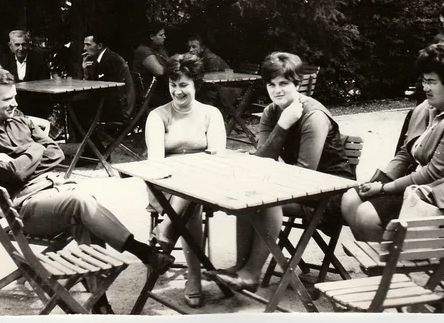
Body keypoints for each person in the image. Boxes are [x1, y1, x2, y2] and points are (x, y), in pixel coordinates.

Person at [0, 63, 174, 314]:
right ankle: (143, 252)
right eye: (7, 99)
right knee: (80, 201)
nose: (14, 104)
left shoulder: (19, 119)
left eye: (15, 98)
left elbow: (55, 153)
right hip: (26, 210)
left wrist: (25, 157)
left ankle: (100, 307)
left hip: (53, 194)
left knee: (85, 220)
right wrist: (34, 148)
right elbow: (16, 172)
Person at [211, 52, 355, 292]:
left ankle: (251, 273)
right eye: (271, 85)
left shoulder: (314, 116)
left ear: (298, 84)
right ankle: (240, 266)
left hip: (330, 193)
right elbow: (261, 160)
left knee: (265, 202)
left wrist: (273, 165)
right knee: (245, 196)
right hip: (298, 186)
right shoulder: (272, 112)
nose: (277, 91)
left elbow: (305, 174)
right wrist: (282, 124)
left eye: (284, 84)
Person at [341, 42, 444, 242]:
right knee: (350, 199)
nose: (425, 87)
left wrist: (384, 189)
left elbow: (434, 174)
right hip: (424, 188)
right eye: (424, 80)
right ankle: (385, 265)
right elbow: (406, 153)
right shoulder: (426, 108)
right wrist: (379, 180)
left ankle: (394, 266)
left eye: (432, 82)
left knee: (367, 215)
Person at [144, 53, 226, 308]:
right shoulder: (157, 116)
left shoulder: (211, 114)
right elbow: (156, 164)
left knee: (194, 194)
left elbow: (217, 158)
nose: (177, 91)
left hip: (203, 185)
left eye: (183, 85)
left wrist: (197, 170)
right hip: (164, 187)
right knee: (190, 200)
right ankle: (194, 277)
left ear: (196, 85)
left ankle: (166, 228)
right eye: (173, 84)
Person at [0, 30, 51, 118]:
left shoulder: (38, 59)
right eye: (17, 45)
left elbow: (45, 85)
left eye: (23, 44)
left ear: (28, 45)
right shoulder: (5, 61)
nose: (21, 48)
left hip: (36, 108)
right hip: (13, 108)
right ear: (10, 46)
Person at [187, 34, 239, 117]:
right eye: (189, 47)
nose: (190, 50)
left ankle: (207, 119)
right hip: (218, 87)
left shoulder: (211, 58)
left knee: (202, 94)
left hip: (228, 89)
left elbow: (211, 79)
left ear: (202, 48)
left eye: (194, 47)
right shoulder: (199, 57)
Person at [133, 22, 171, 106]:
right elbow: (159, 71)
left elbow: (169, 63)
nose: (164, 37)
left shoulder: (160, 48)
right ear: (152, 37)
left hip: (160, 89)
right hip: (149, 92)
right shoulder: (143, 50)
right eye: (161, 35)